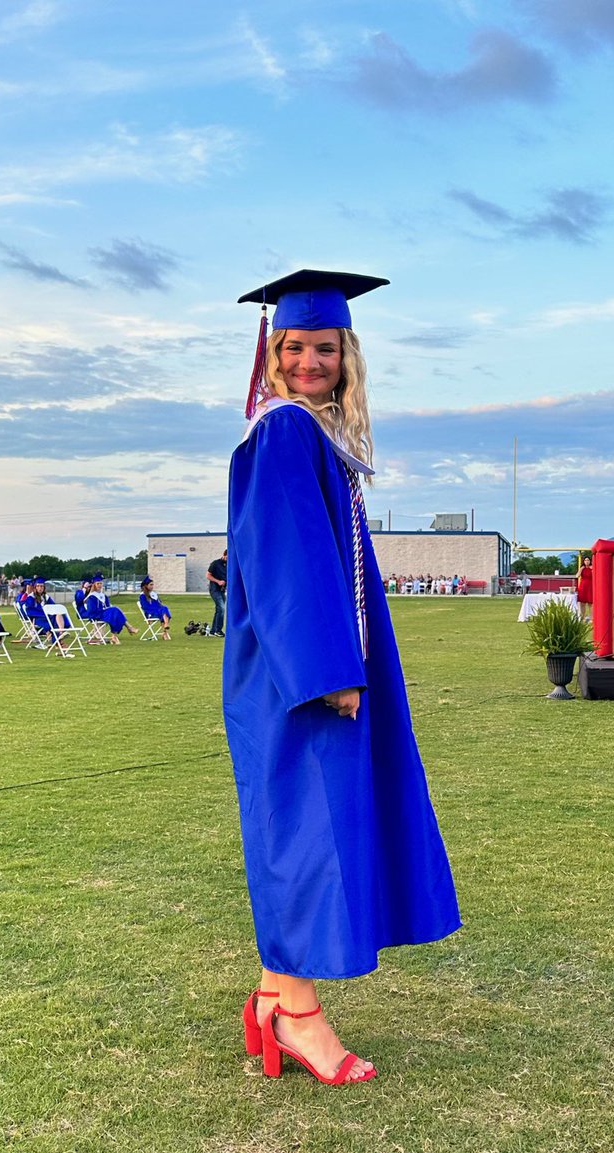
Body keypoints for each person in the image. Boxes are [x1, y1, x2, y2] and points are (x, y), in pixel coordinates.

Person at [226, 268, 460, 1087]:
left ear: (346, 355)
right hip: (304, 674)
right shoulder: (284, 432)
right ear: (273, 353)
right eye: (294, 347)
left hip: (323, 666)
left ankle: (270, 998)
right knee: (306, 833)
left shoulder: (321, 437)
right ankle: (297, 1017)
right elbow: (288, 561)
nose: (309, 360)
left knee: (307, 827)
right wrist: (330, 671)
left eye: (325, 347)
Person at [84, 574, 138, 642]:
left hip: (104, 614)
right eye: (97, 583)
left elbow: (107, 606)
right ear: (94, 585)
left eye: (100, 583)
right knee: (115, 610)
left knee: (115, 613)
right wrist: (103, 610)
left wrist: (106, 610)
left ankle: (115, 635)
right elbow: (91, 610)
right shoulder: (91, 597)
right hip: (96, 615)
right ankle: (128, 628)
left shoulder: (103, 596)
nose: (99, 585)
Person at [206, 549, 227, 637]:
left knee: (219, 610)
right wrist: (218, 581)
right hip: (215, 589)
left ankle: (213, 631)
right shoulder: (215, 563)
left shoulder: (230, 565)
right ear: (224, 555)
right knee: (221, 608)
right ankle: (218, 630)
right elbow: (208, 575)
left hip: (222, 590)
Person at [574, 554, 593, 620]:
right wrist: (581, 569)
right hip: (583, 587)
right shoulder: (582, 568)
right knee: (582, 603)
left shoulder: (593, 568)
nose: (587, 561)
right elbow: (577, 576)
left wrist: (593, 569)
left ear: (590, 561)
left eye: (588, 560)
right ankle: (582, 618)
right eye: (585, 560)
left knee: (590, 604)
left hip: (590, 586)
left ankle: (591, 618)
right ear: (583, 561)